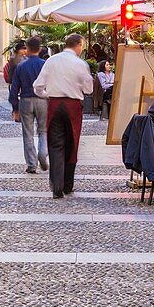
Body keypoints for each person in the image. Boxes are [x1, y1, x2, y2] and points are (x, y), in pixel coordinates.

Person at [33, 33, 94, 198]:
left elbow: (37, 85)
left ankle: (57, 186)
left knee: (56, 145)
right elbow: (89, 90)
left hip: (54, 104)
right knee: (72, 144)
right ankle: (68, 185)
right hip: (73, 105)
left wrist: (47, 94)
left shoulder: (51, 60)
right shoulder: (80, 64)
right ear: (79, 45)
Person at [9, 37, 49, 174]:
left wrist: (15, 107)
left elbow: (14, 89)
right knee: (43, 130)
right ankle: (43, 153)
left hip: (25, 100)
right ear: (39, 49)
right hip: (43, 100)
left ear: (27, 49)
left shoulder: (21, 66)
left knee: (28, 133)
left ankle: (32, 164)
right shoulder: (45, 64)